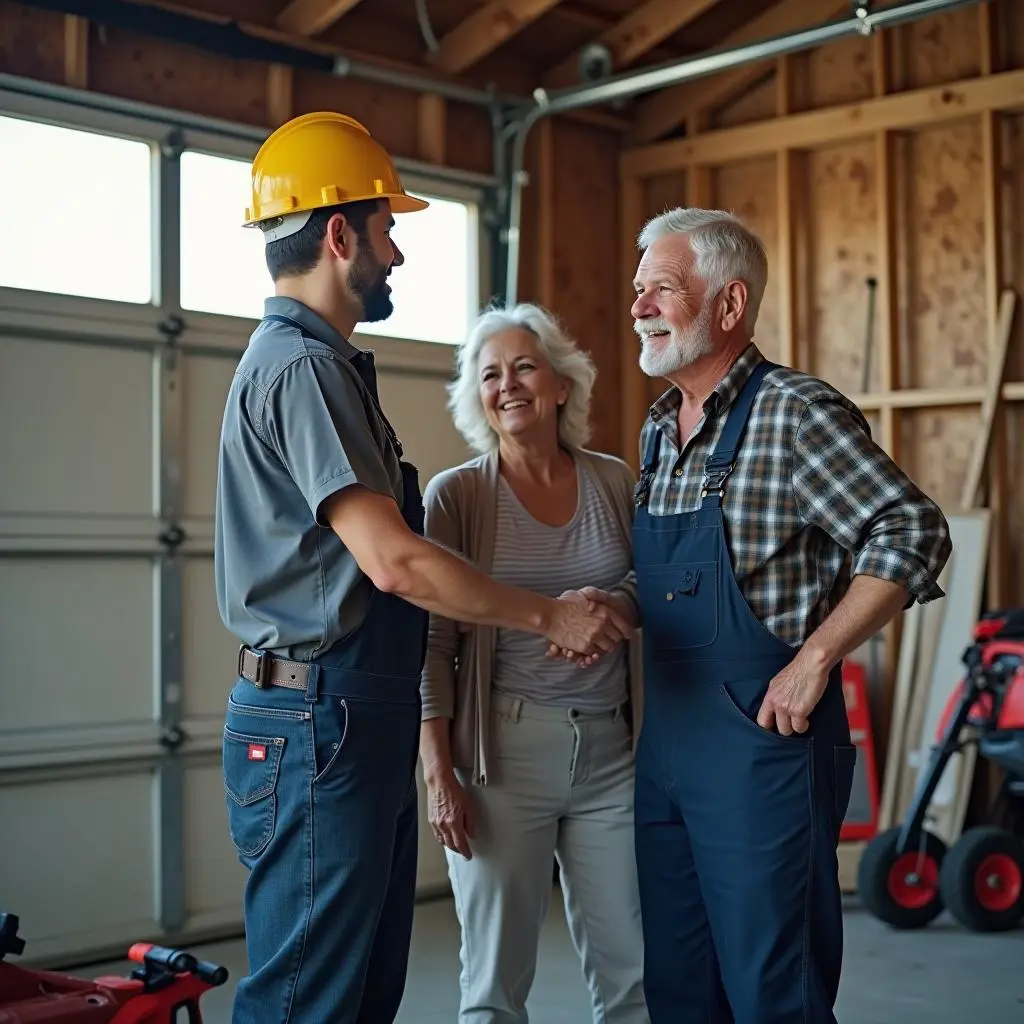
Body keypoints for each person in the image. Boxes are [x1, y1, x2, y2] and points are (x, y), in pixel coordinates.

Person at [213, 112, 632, 1024]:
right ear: (338, 233)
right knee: (307, 1001)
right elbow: (394, 562)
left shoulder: (327, 366)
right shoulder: (299, 370)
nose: (395, 253)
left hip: (347, 714)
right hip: (316, 717)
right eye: (387, 228)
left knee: (360, 992)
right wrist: (548, 616)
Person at [612, 207, 952, 1023]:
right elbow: (664, 583)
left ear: (728, 306)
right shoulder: (660, 431)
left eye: (661, 289)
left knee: (774, 988)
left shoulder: (795, 414)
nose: (639, 308)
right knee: (681, 987)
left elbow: (913, 529)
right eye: (637, 291)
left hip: (763, 747)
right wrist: (611, 603)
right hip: (667, 747)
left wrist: (816, 658)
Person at [419, 303, 650, 1024]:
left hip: (612, 754)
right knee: (493, 987)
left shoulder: (613, 482)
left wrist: (612, 605)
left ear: (559, 385)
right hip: (500, 761)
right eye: (490, 374)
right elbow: (431, 643)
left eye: (524, 366)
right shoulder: (457, 496)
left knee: (637, 977)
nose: (508, 384)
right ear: (476, 396)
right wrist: (438, 772)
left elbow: (653, 583)